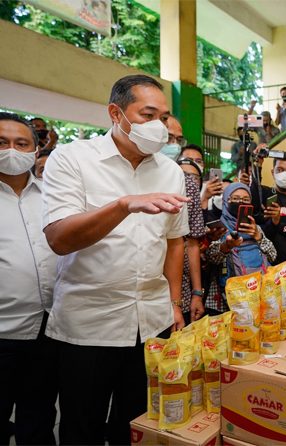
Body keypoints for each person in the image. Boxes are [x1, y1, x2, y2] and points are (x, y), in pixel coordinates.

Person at [41, 74, 189, 445]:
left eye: (164, 117)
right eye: (147, 114)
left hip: (152, 322)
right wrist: (123, 206)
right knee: (82, 426)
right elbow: (59, 239)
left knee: (137, 423)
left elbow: (174, 242)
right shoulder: (73, 160)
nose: (159, 126)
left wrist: (174, 303)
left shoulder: (170, 171)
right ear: (115, 113)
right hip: (89, 324)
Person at [0, 112, 58, 445]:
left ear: (35, 151)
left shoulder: (51, 196)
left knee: (38, 420)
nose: (12, 150)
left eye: (21, 143)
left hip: (46, 331)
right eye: (2, 142)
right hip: (3, 331)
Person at [205, 183, 277, 312]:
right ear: (226, 201)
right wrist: (226, 246)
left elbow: (273, 255)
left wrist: (258, 236)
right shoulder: (218, 228)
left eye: (245, 200)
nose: (239, 202)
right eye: (235, 198)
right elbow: (211, 258)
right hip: (226, 299)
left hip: (257, 294)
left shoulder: (255, 228)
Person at [171, 121, 206, 326]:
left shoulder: (187, 185)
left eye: (177, 139)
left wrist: (196, 293)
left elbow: (191, 244)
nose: (172, 144)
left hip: (180, 291)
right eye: (168, 138)